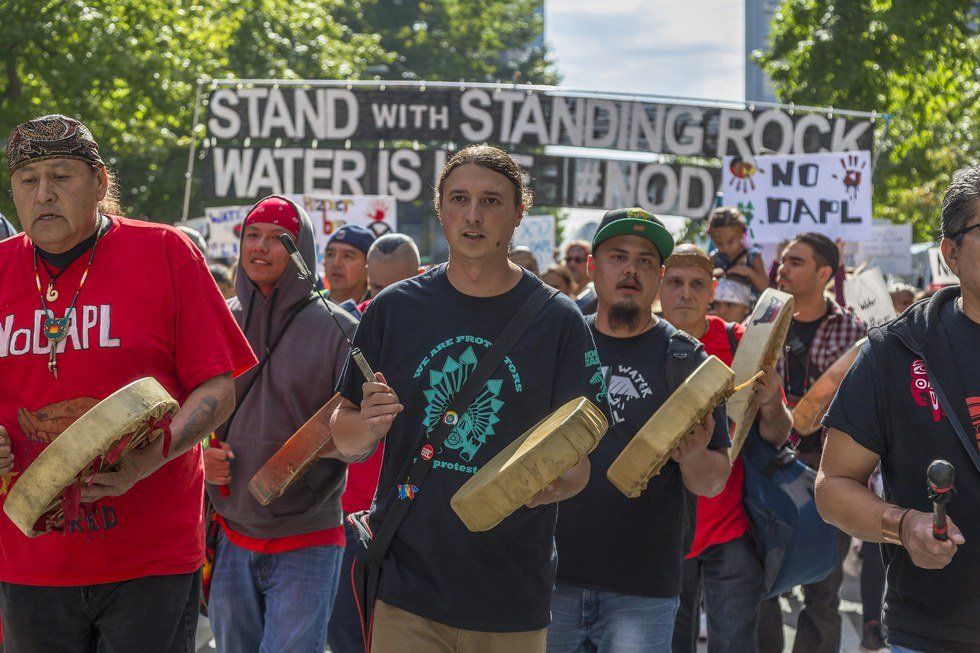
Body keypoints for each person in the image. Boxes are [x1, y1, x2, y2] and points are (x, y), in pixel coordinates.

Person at [330, 144, 605, 652]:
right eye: (459, 198)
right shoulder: (393, 310)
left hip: (512, 594)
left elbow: (579, 465)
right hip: (406, 587)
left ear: (519, 212)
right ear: (441, 209)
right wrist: (365, 425)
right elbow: (343, 432)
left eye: (492, 201)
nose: (474, 215)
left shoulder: (558, 320)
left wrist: (545, 484)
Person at [0, 114, 256, 652]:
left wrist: (149, 457)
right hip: (29, 558)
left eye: (61, 176)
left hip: (149, 558)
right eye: (28, 180)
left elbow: (217, 387)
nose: (43, 193)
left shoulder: (164, 252)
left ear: (99, 182)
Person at [549, 211, 732, 653]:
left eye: (646, 261)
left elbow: (712, 481)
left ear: (659, 276)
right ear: (592, 267)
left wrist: (692, 455)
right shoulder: (559, 344)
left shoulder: (689, 361)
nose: (631, 269)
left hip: (643, 589)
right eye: (618, 256)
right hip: (551, 578)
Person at [817, 166, 980, 653]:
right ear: (950, 253)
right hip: (934, 633)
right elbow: (833, 486)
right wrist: (904, 526)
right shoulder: (898, 351)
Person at [202, 195, 360, 652]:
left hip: (308, 537)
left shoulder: (341, 329)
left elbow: (359, 438)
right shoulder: (219, 320)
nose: (261, 247)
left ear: (301, 251)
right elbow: (187, 412)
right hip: (232, 532)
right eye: (253, 235)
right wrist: (203, 456)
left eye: (279, 239)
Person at [659, 245, 792, 653]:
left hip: (730, 528)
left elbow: (779, 432)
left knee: (733, 644)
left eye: (696, 284)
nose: (686, 293)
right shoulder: (641, 342)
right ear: (659, 286)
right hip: (662, 531)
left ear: (712, 289)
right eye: (675, 283)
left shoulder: (740, 343)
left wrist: (769, 401)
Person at [757, 231, 866, 653]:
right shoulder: (759, 322)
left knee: (823, 593)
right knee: (761, 585)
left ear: (825, 273)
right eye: (783, 260)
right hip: (766, 472)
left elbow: (861, 409)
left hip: (830, 476)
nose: (783, 269)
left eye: (796, 262)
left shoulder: (854, 331)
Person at [328, 232, 421, 653]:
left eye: (397, 287)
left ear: (419, 276)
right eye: (378, 287)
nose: (386, 298)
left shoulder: (437, 331)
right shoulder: (353, 327)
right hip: (353, 513)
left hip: (414, 515)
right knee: (347, 634)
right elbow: (332, 421)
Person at [707, 207, 769, 295]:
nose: (725, 247)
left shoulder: (753, 256)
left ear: (741, 234)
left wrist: (748, 272)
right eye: (719, 243)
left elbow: (765, 286)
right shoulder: (714, 258)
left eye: (730, 241)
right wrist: (713, 276)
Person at [358, 233, 422, 313]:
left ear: (420, 277)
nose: (386, 300)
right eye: (378, 288)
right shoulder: (355, 320)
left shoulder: (435, 319)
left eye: (396, 289)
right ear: (368, 277)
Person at [324, 224, 374, 311]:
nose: (336, 263)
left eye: (347, 256)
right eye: (330, 254)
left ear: (369, 266)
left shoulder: (377, 310)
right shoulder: (308, 305)